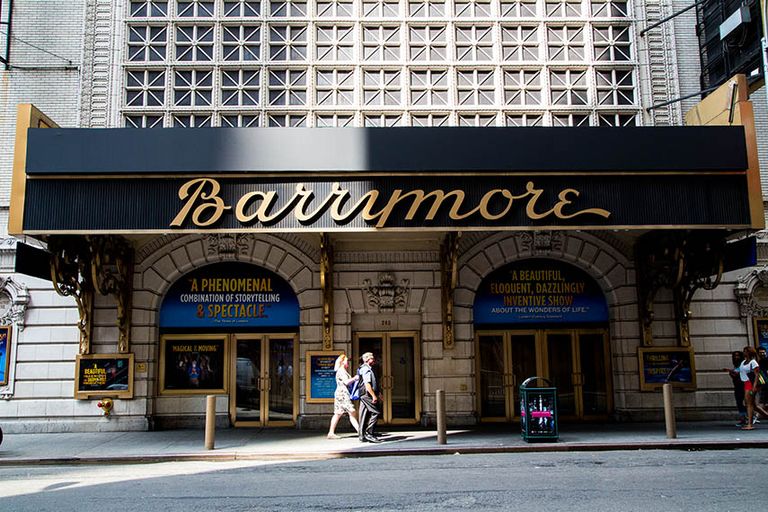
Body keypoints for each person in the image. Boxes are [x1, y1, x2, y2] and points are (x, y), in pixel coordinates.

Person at [327, 354, 360, 439]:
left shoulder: (342, 370)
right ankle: (360, 431)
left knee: (338, 413)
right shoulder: (341, 371)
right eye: (346, 361)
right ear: (342, 362)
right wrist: (355, 378)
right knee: (352, 411)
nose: (347, 362)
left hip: (340, 393)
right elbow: (346, 382)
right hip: (343, 394)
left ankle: (331, 432)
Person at [739, 346, 768, 430]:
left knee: (749, 404)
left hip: (750, 384)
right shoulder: (744, 362)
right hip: (746, 383)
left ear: (749, 352)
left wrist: (754, 387)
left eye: (745, 351)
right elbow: (741, 371)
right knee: (753, 405)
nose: (744, 352)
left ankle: (749, 424)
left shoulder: (753, 362)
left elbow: (757, 375)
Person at [358, 352, 382, 443]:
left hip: (363, 394)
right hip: (367, 394)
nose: (374, 360)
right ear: (367, 360)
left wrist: (378, 393)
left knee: (363, 414)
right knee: (376, 412)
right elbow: (367, 384)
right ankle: (369, 433)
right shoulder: (366, 369)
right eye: (372, 358)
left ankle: (361, 435)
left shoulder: (365, 368)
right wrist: (373, 396)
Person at [723, 350, 747, 426]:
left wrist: (730, 370)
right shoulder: (736, 364)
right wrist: (731, 373)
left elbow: (738, 371)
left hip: (744, 385)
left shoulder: (742, 363)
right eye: (735, 356)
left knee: (746, 403)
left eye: (738, 355)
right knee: (739, 402)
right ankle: (744, 418)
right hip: (738, 385)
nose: (736, 357)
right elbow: (735, 375)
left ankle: (747, 418)